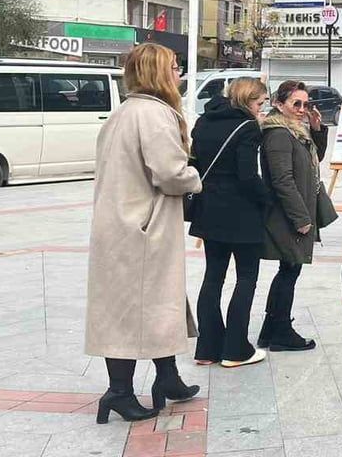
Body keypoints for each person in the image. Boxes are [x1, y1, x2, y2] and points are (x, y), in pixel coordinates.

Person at [86, 42, 202, 424]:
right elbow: (169, 173)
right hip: (143, 227)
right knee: (133, 309)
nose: (179, 74)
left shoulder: (124, 112)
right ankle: (119, 391)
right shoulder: (155, 115)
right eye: (173, 67)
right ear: (157, 73)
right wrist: (195, 178)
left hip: (120, 222)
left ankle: (168, 378)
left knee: (151, 304)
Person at [189, 77, 269, 368]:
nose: (262, 109)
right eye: (260, 103)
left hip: (209, 209)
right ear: (248, 100)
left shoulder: (204, 121)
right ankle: (236, 349)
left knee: (213, 277)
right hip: (242, 213)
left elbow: (194, 165)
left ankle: (207, 348)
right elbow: (247, 175)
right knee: (246, 277)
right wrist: (267, 199)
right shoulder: (246, 127)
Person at [257, 80, 331, 352]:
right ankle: (280, 331)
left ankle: (272, 329)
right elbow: (282, 180)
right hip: (286, 214)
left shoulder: (296, 131)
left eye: (305, 103)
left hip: (295, 210)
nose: (302, 109)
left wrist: (317, 129)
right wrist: (301, 218)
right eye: (296, 104)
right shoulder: (278, 133)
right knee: (289, 269)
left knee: (289, 269)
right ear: (279, 104)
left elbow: (315, 158)